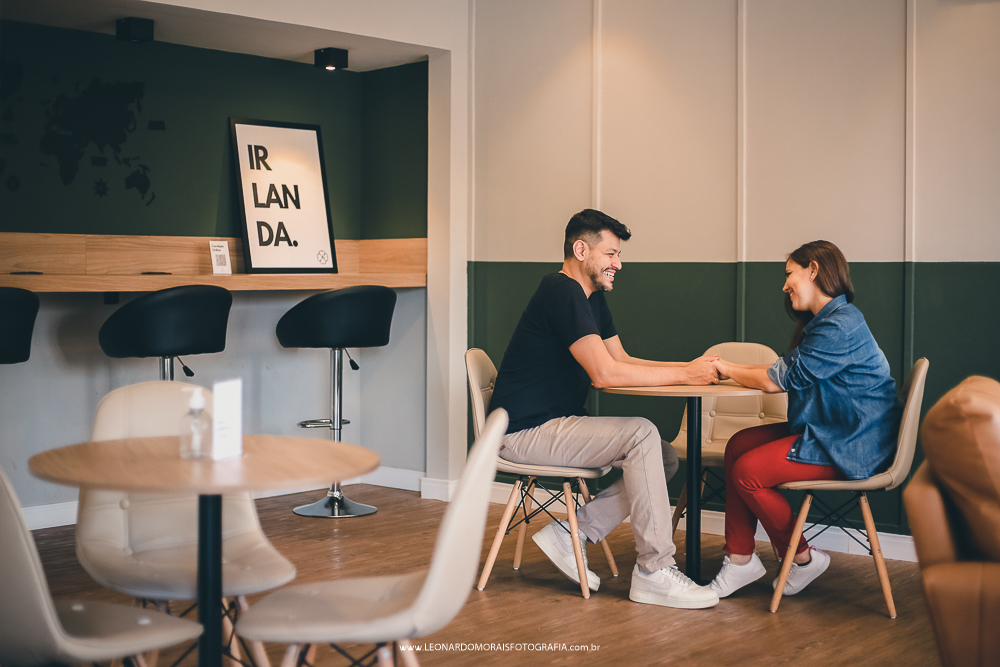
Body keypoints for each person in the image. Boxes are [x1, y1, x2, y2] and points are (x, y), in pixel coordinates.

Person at [488, 208, 720, 609]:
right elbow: (605, 374)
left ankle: (571, 533)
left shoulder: (590, 298)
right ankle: (654, 571)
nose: (618, 264)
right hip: (521, 434)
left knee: (662, 455)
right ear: (581, 250)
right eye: (611, 254)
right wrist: (687, 375)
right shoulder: (561, 291)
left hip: (553, 425)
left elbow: (621, 359)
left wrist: (690, 369)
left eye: (618, 255)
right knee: (642, 433)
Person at [708, 240, 902, 599]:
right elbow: (780, 370)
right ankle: (740, 559)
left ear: (813, 270)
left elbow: (776, 380)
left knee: (749, 472)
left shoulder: (840, 326)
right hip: (835, 430)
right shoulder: (829, 321)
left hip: (852, 445)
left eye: (789, 274)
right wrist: (726, 368)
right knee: (737, 446)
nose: (784, 285)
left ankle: (802, 558)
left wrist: (725, 368)